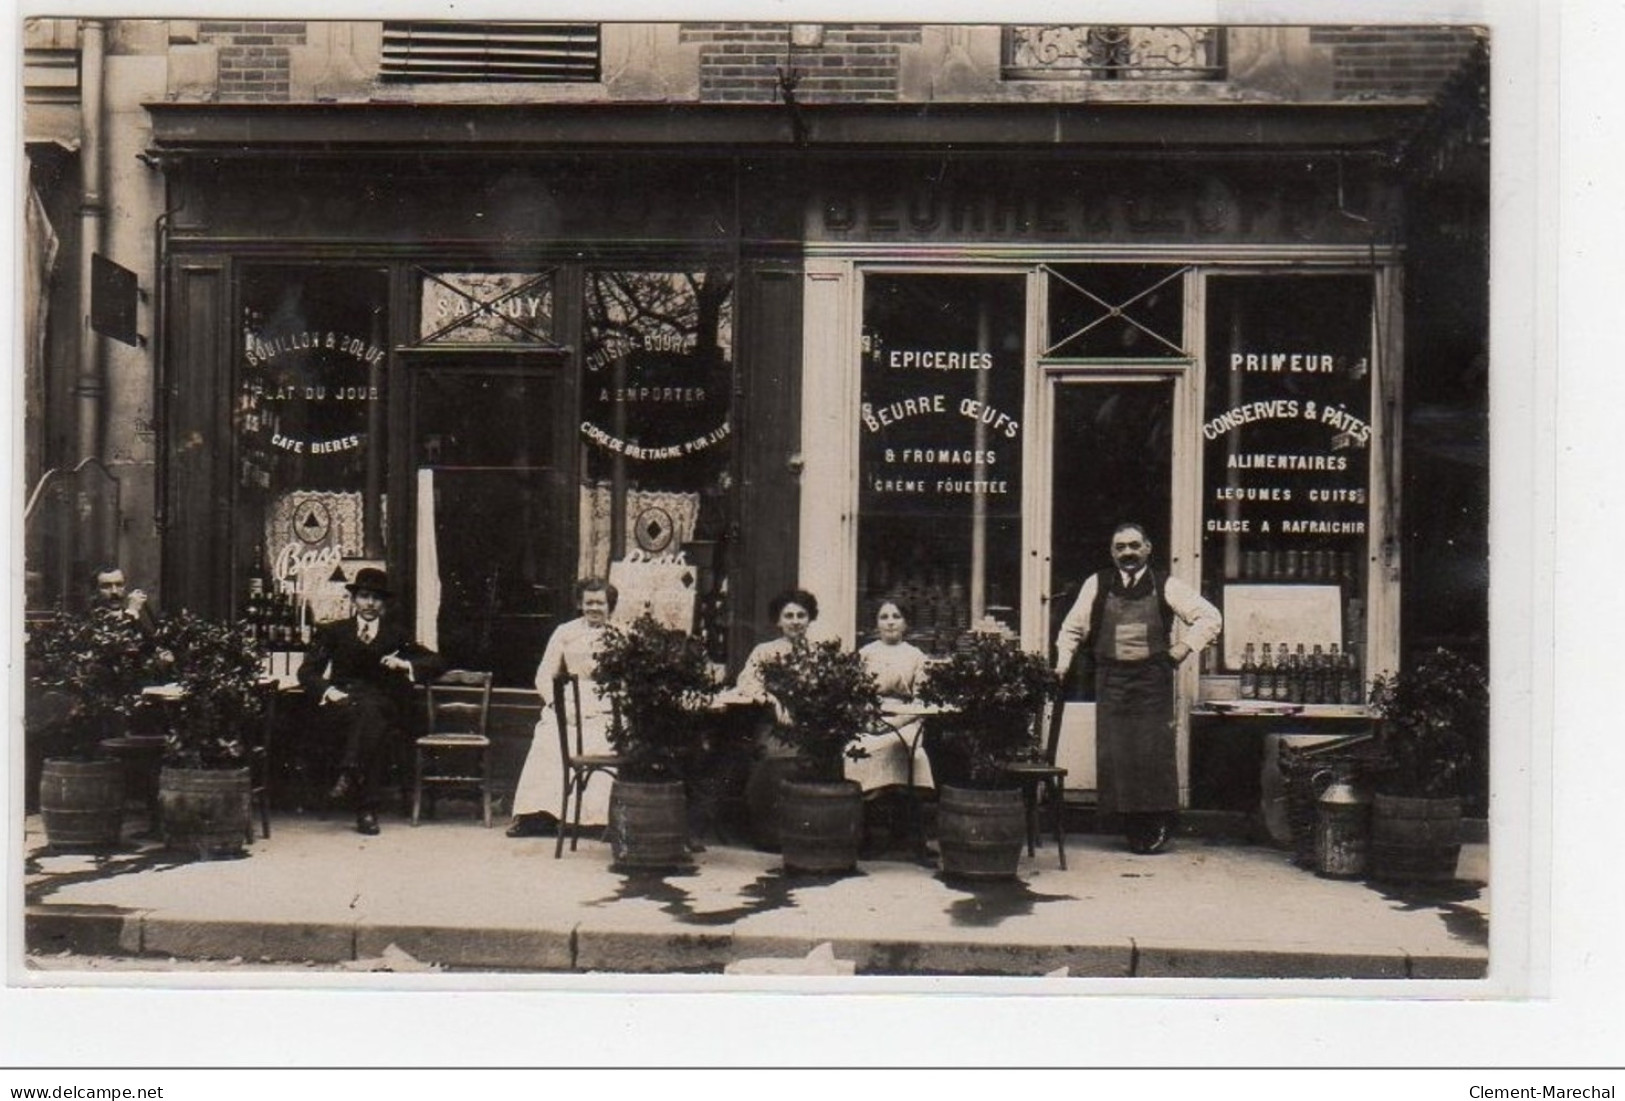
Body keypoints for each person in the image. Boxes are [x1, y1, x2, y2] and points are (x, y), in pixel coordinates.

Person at [1053, 522, 1222, 854]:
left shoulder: (1166, 584)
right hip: (1111, 679)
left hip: (1152, 680)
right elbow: (1072, 629)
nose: (1127, 553)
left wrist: (1183, 648)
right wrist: (1062, 663)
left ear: (1148, 548)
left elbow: (1210, 617)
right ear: (1112, 552)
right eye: (1120, 547)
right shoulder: (1097, 583)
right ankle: (1131, 826)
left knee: (1151, 754)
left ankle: (1157, 823)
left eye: (1134, 546)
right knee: (1117, 753)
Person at [297, 567, 445, 836]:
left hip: (382, 701)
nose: (369, 603)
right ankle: (365, 808)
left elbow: (436, 661)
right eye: (364, 596)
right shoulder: (334, 631)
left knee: (373, 716)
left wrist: (403, 663)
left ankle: (351, 775)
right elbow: (307, 672)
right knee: (371, 725)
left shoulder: (396, 635)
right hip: (344, 702)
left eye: (376, 598)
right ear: (353, 600)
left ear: (384, 603)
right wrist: (330, 691)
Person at [506, 578, 618, 838]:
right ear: (580, 604)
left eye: (600, 603)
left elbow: (626, 678)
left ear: (610, 606)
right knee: (549, 738)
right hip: (570, 699)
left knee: (604, 740)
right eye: (588, 602)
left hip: (606, 702)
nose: (593, 608)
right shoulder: (565, 632)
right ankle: (537, 816)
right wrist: (556, 704)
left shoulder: (621, 634)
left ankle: (596, 820)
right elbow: (545, 673)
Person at [853, 599, 935, 857]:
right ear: (876, 623)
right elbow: (855, 695)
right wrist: (870, 720)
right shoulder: (865, 654)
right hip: (870, 719)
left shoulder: (916, 656)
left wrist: (897, 722)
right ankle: (865, 833)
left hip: (907, 719)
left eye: (896, 616)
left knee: (914, 754)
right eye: (884, 616)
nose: (890, 622)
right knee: (858, 749)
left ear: (905, 623)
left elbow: (922, 699)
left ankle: (911, 836)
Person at [91, 565, 161, 637]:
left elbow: (149, 647)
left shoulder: (137, 618)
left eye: (119, 585)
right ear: (95, 591)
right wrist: (131, 614)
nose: (114, 591)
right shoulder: (87, 623)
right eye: (106, 586)